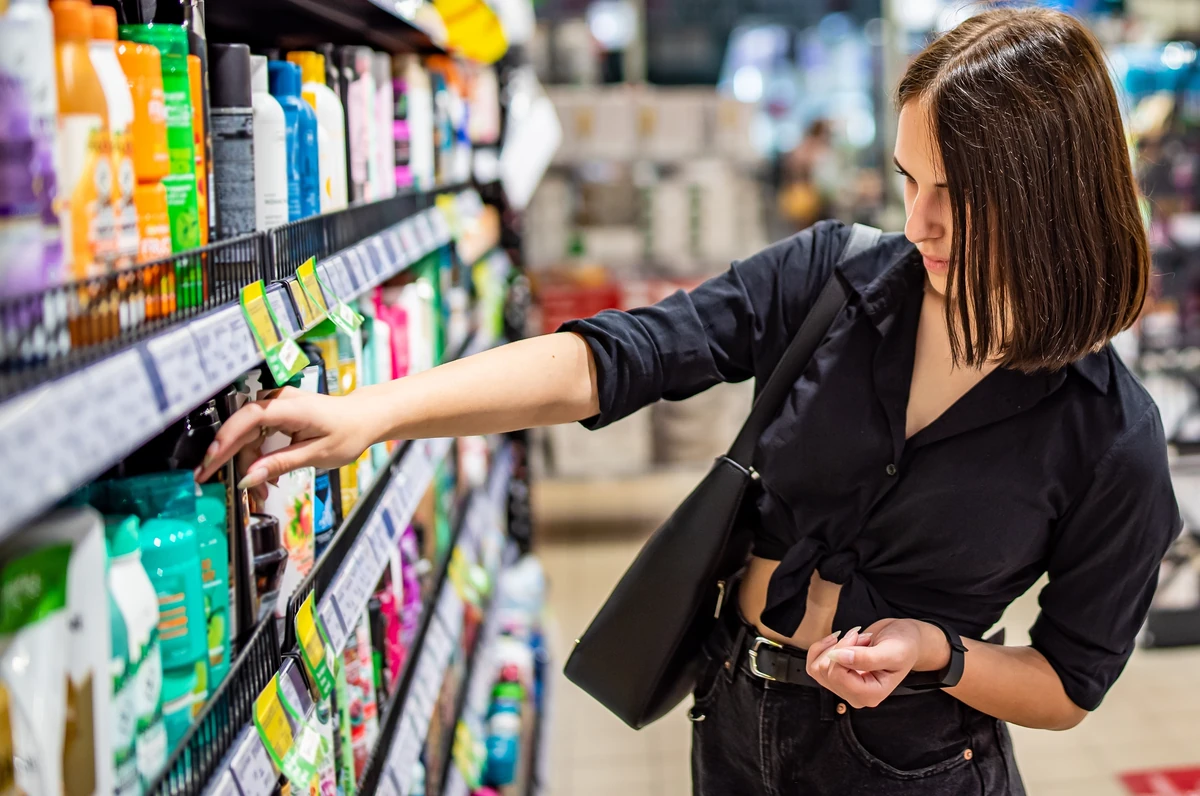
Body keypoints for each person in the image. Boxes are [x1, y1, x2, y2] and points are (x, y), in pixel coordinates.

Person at [198, 9, 1182, 795]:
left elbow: (1065, 686)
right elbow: (620, 357)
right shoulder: (835, 277)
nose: (916, 220)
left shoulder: (1111, 437)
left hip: (917, 766)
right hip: (736, 719)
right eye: (907, 179)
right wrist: (379, 409)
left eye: (954, 192)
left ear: (1051, 193)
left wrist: (937, 649)